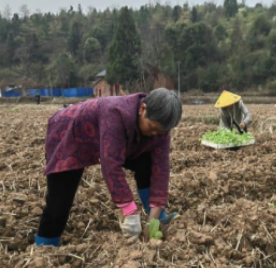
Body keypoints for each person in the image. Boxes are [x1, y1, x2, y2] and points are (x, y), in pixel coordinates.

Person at [35, 88, 182, 246]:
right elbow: (111, 165)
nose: (155, 133)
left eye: (160, 131)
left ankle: (158, 217)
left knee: (148, 163)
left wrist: (153, 219)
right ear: (143, 109)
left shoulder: (160, 130)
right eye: (152, 127)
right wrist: (129, 211)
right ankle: (46, 244)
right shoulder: (116, 113)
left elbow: (161, 168)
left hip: (118, 141)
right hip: (70, 134)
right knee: (61, 197)